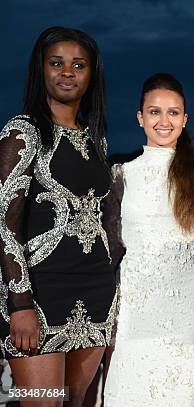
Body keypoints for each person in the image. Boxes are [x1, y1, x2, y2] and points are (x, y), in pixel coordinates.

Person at [0, 26, 117, 406]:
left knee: (72, 401)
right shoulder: (23, 132)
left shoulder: (95, 139)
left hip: (96, 294)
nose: (67, 72)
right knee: (43, 402)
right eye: (57, 63)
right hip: (39, 294)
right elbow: (4, 224)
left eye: (78, 65)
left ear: (90, 74)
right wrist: (20, 305)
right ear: (42, 69)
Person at [102, 73, 194, 406]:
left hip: (185, 317)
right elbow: (109, 249)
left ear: (185, 120)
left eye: (173, 112)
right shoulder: (122, 175)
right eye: (155, 111)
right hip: (131, 314)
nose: (164, 120)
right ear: (140, 117)